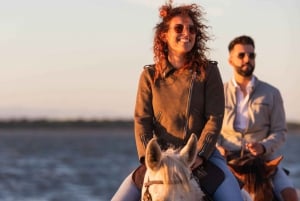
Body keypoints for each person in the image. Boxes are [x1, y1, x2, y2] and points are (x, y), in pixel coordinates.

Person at [111, 2, 243, 201]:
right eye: (178, 28)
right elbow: (142, 121)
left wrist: (199, 155)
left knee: (233, 198)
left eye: (191, 29)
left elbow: (215, 118)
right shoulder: (149, 75)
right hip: (160, 158)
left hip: (201, 157)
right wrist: (151, 159)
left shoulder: (208, 72)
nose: (186, 33)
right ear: (164, 35)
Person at [216, 35, 298, 201]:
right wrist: (217, 147)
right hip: (227, 160)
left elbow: (280, 131)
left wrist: (263, 146)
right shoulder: (217, 93)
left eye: (251, 55)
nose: (247, 59)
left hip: (261, 161)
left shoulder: (272, 93)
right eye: (241, 55)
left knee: (291, 195)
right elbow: (210, 127)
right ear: (230, 60)